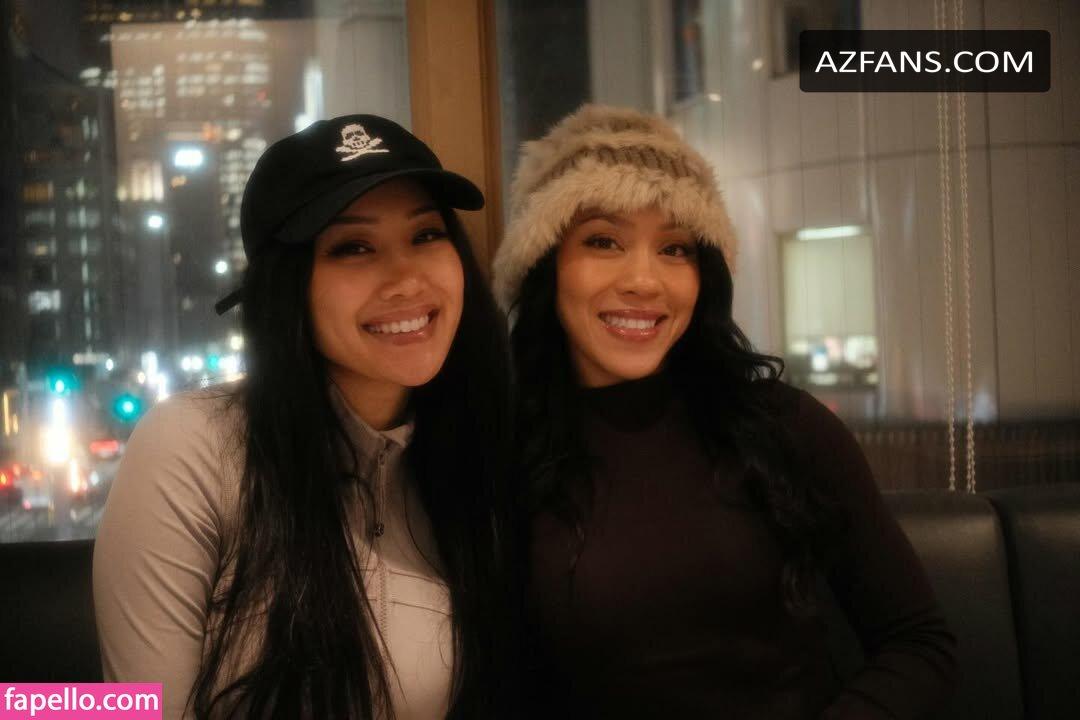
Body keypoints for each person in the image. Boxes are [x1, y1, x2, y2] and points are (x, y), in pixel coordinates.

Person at [494, 104, 958, 719]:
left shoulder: (783, 426)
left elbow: (920, 644)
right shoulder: (503, 450)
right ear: (545, 263)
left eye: (674, 248)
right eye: (604, 241)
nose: (644, 280)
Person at [94, 115, 515, 719]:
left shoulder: (475, 454)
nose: (407, 278)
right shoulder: (191, 447)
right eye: (354, 247)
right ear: (287, 286)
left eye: (426, 234)